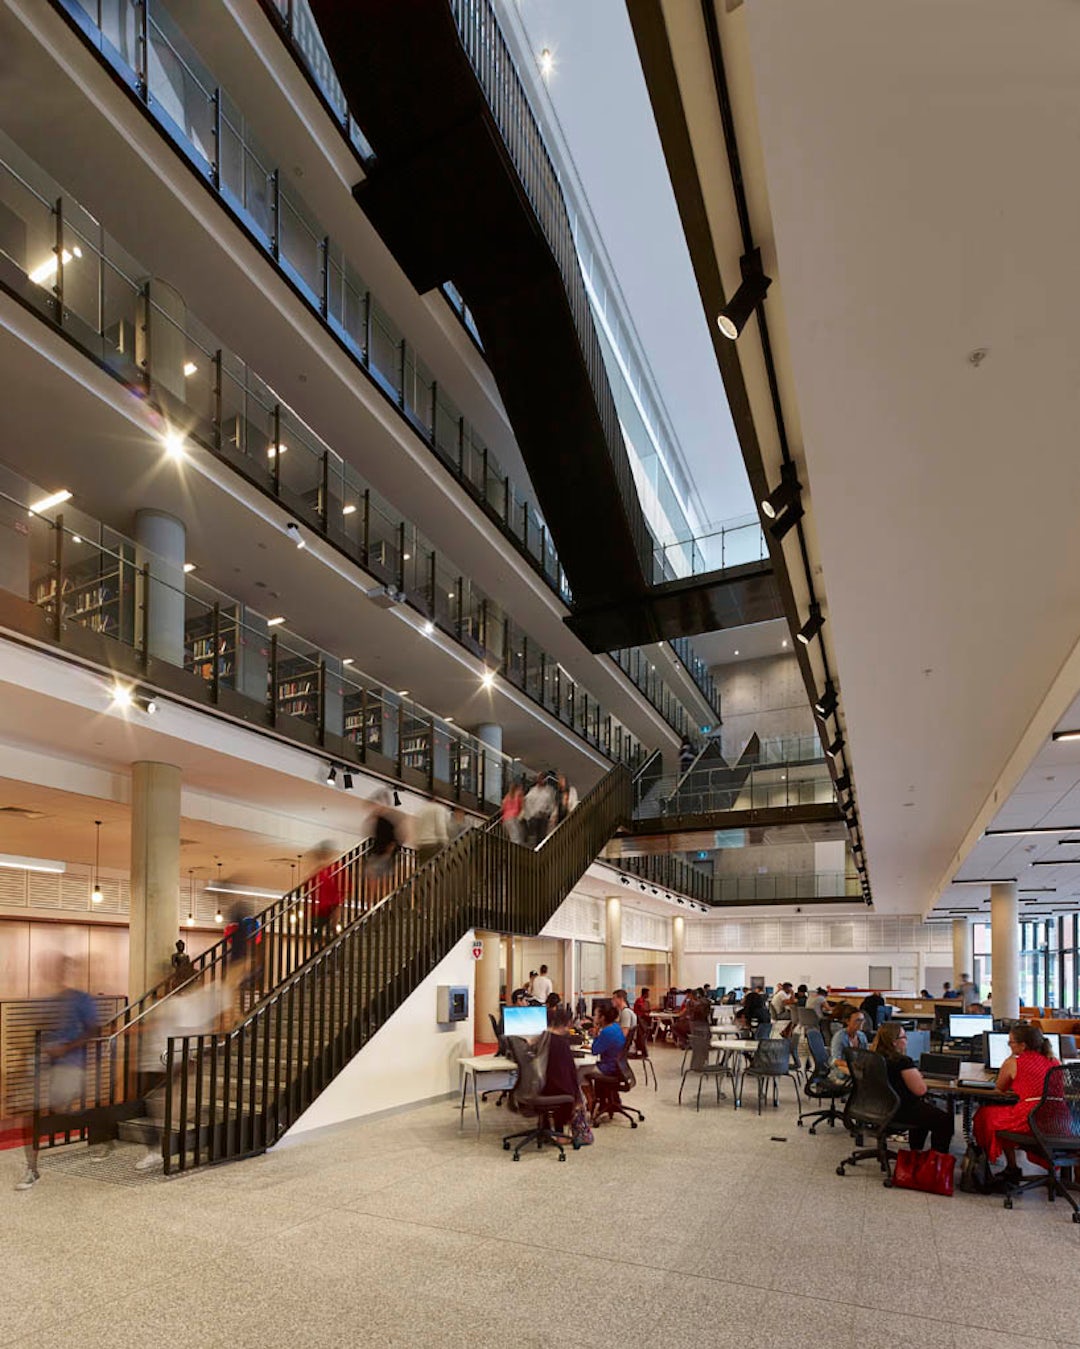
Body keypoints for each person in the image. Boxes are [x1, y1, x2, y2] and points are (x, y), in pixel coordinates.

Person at [16, 957, 100, 1191]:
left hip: (70, 1064)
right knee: (32, 1114)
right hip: (43, 1065)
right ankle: (32, 1168)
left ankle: (100, 1130)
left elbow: (94, 1029)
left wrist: (66, 1047)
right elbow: (33, 1028)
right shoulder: (46, 1001)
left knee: (62, 1107)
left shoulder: (81, 999)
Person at [973, 1024, 1059, 1180]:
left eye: (1011, 1042)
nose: (1009, 1045)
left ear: (1022, 1045)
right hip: (1058, 1118)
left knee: (986, 1114)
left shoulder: (1013, 1062)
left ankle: (1011, 1167)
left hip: (1032, 1117)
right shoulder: (1054, 1060)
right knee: (1002, 1116)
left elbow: (1000, 1088)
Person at [870, 1022, 953, 1153]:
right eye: (903, 1037)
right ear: (894, 1042)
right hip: (899, 1110)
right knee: (944, 1120)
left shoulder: (872, 1057)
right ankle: (937, 1161)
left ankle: (916, 1152)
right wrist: (917, 1076)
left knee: (924, 1110)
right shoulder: (902, 1061)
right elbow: (920, 1090)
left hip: (877, 1107)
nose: (906, 1040)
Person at [543, 1007, 586, 1133]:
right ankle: (560, 1133)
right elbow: (571, 1073)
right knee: (571, 1090)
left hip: (540, 1086)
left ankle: (547, 1127)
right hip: (555, 1088)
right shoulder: (561, 1043)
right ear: (566, 1024)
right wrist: (578, 1098)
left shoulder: (541, 1039)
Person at [412, 797, 449, 868]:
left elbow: (416, 826)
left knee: (422, 868)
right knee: (439, 867)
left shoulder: (421, 810)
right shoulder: (438, 808)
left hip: (422, 844)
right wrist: (444, 841)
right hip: (433, 843)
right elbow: (440, 825)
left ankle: (422, 879)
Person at [522, 774, 556, 848]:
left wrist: (547, 812)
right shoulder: (533, 790)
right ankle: (531, 849)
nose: (540, 780)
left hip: (543, 817)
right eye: (539, 779)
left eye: (542, 778)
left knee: (541, 836)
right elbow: (527, 801)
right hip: (533, 816)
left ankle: (539, 849)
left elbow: (551, 804)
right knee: (532, 835)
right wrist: (529, 814)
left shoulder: (549, 791)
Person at [590, 1004, 625, 1076]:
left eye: (595, 1015)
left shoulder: (607, 1032)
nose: (594, 1017)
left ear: (602, 1018)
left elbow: (594, 1051)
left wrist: (595, 1033)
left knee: (580, 1072)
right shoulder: (616, 1026)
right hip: (617, 1065)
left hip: (608, 1068)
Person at [829, 1010, 868, 1075]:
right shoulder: (839, 1037)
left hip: (856, 1068)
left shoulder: (862, 1036)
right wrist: (853, 1065)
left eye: (863, 1020)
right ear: (848, 1021)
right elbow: (835, 1060)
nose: (861, 1023)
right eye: (858, 1020)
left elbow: (866, 1056)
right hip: (841, 1070)